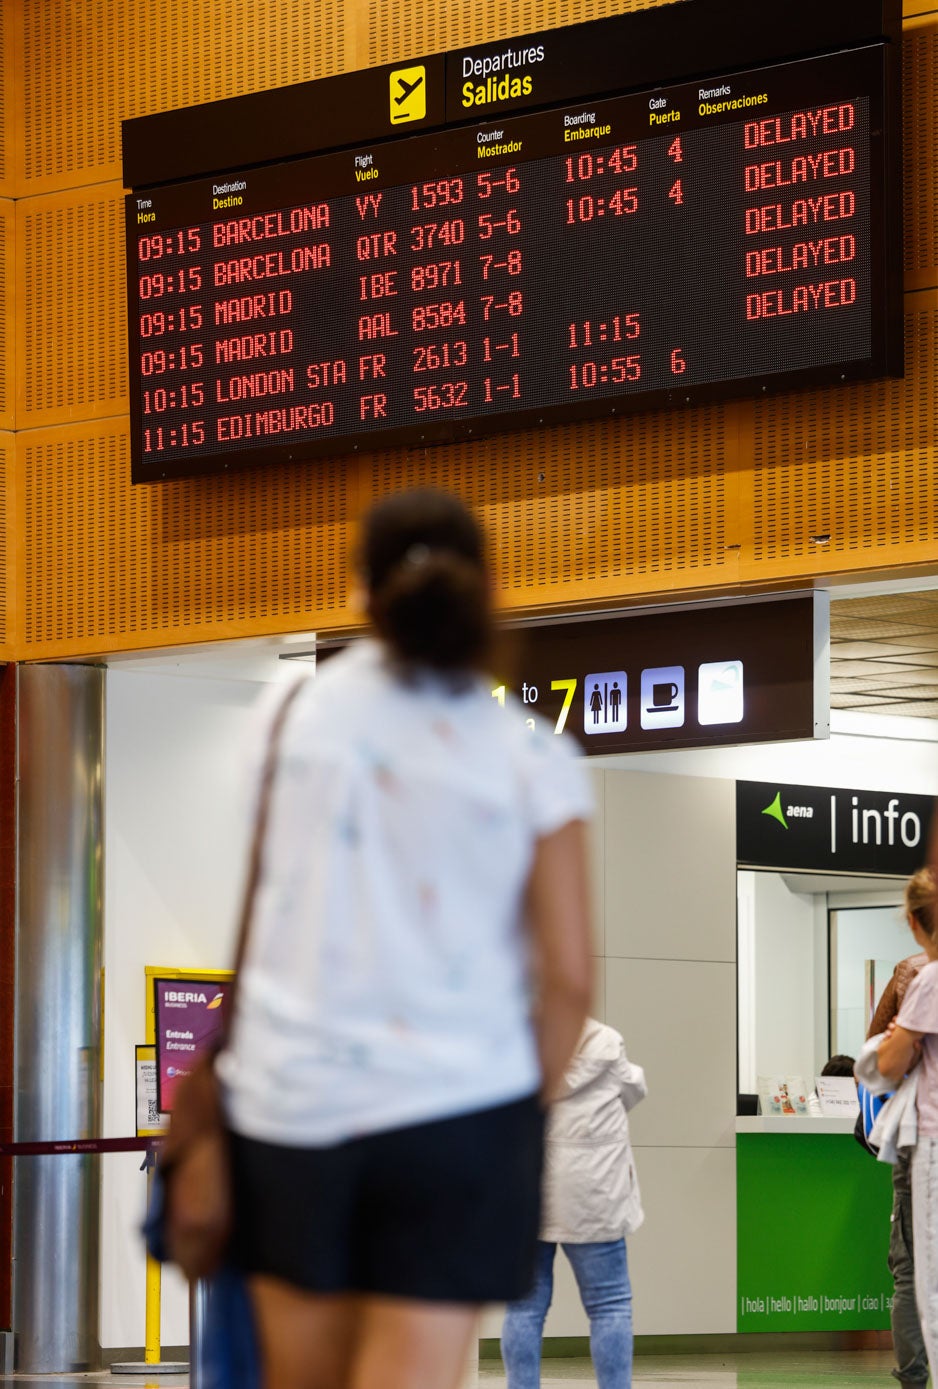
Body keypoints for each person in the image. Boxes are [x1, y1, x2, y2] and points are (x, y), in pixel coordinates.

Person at [216, 489, 594, 1389]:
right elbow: (570, 979)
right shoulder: (531, 754)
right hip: (459, 1116)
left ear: (360, 591)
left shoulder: (284, 723)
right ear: (487, 587)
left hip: (291, 1109)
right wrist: (504, 1110)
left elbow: (261, 920)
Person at [500, 1017, 646, 1389]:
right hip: (594, 1191)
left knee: (524, 1307)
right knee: (609, 1304)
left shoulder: (515, 1039)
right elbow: (633, 1090)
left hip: (528, 1185)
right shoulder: (606, 1041)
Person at [877, 868, 938, 1387]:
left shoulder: (926, 979)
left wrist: (897, 1042)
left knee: (912, 1269)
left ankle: (917, 1380)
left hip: (929, 1145)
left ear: (915, 923)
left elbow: (888, 1062)